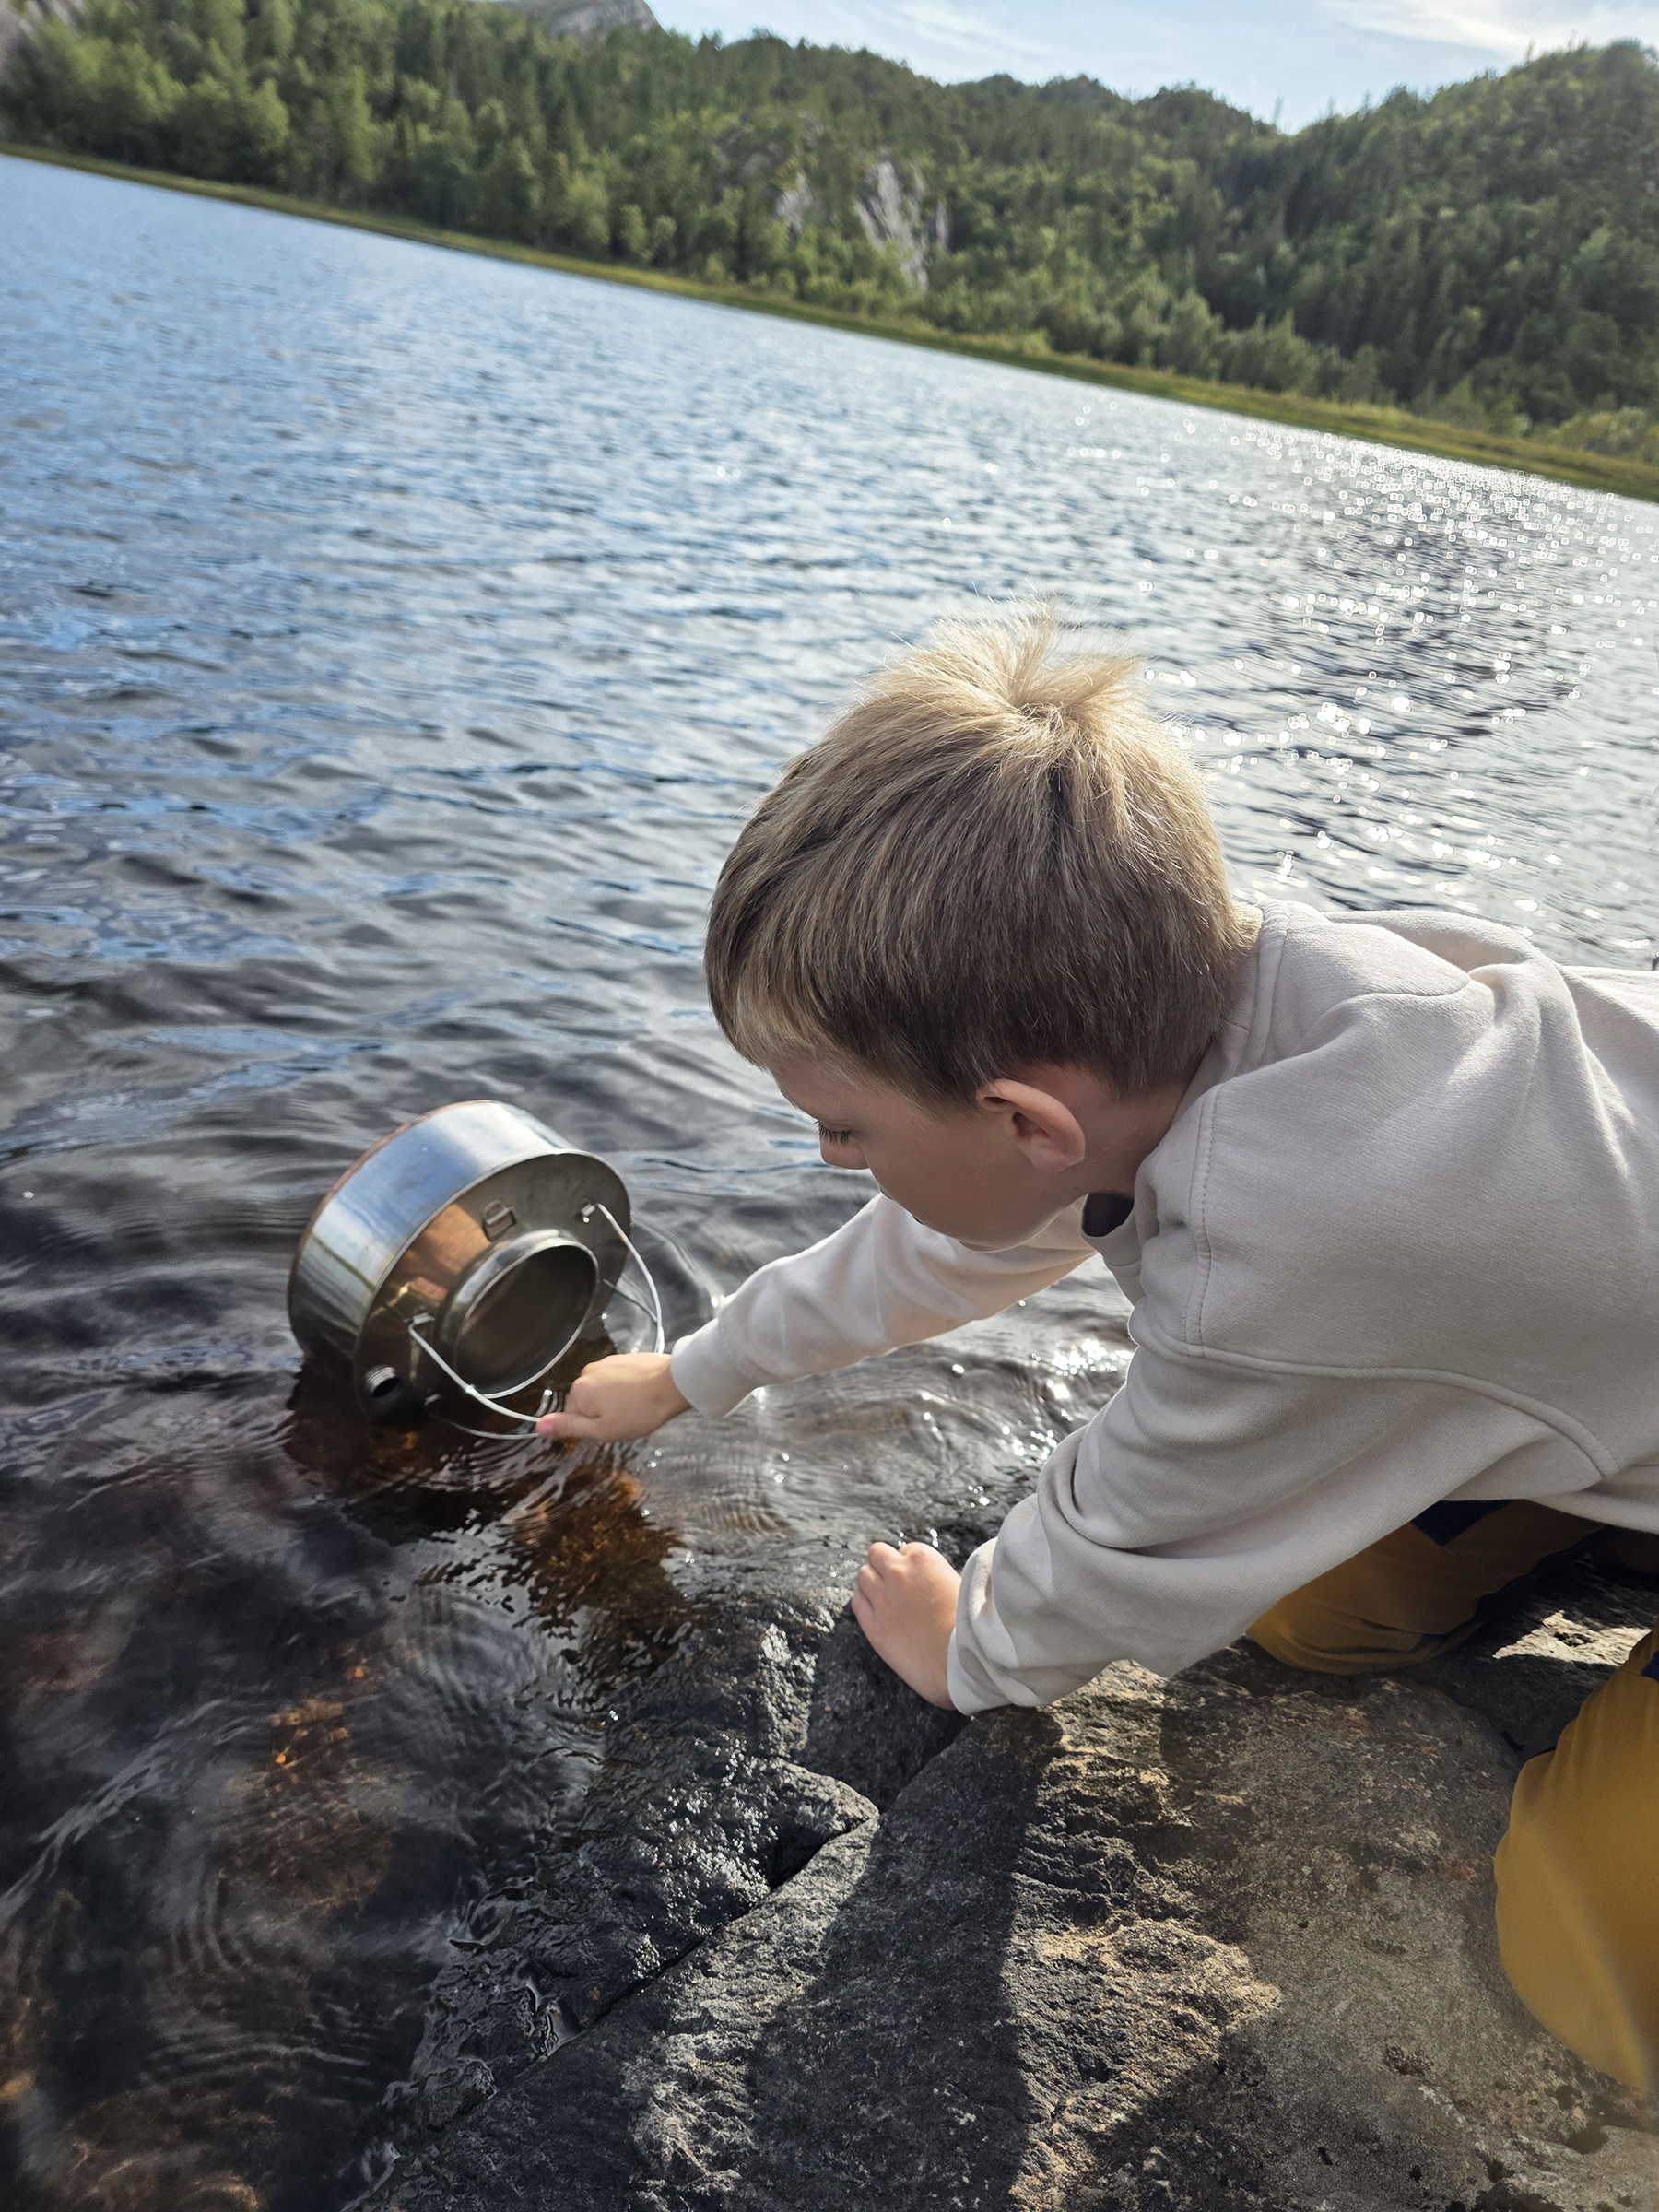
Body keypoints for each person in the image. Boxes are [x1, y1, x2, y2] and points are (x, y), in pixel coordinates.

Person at [536, 612, 1659, 2094]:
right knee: (1308, 1616)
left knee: (1591, 1961)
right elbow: (947, 1242)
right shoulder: (1218, 1013)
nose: (828, 1159)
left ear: (1026, 1121)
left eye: (846, 1129)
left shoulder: (1283, 1242)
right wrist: (692, 1374)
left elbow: (1125, 1529)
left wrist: (973, 1650)